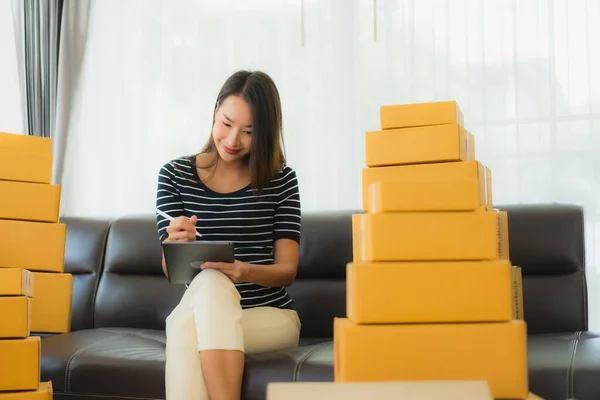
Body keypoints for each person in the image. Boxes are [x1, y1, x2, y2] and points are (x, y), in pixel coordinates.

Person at [154, 70, 302, 400]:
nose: (233, 140)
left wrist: (241, 270)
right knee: (206, 287)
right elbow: (170, 269)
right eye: (226, 123)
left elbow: (287, 271)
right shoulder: (174, 175)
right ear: (215, 110)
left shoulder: (281, 180)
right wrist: (174, 244)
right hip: (205, 309)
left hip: (270, 317)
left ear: (266, 133)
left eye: (249, 132)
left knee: (185, 324)